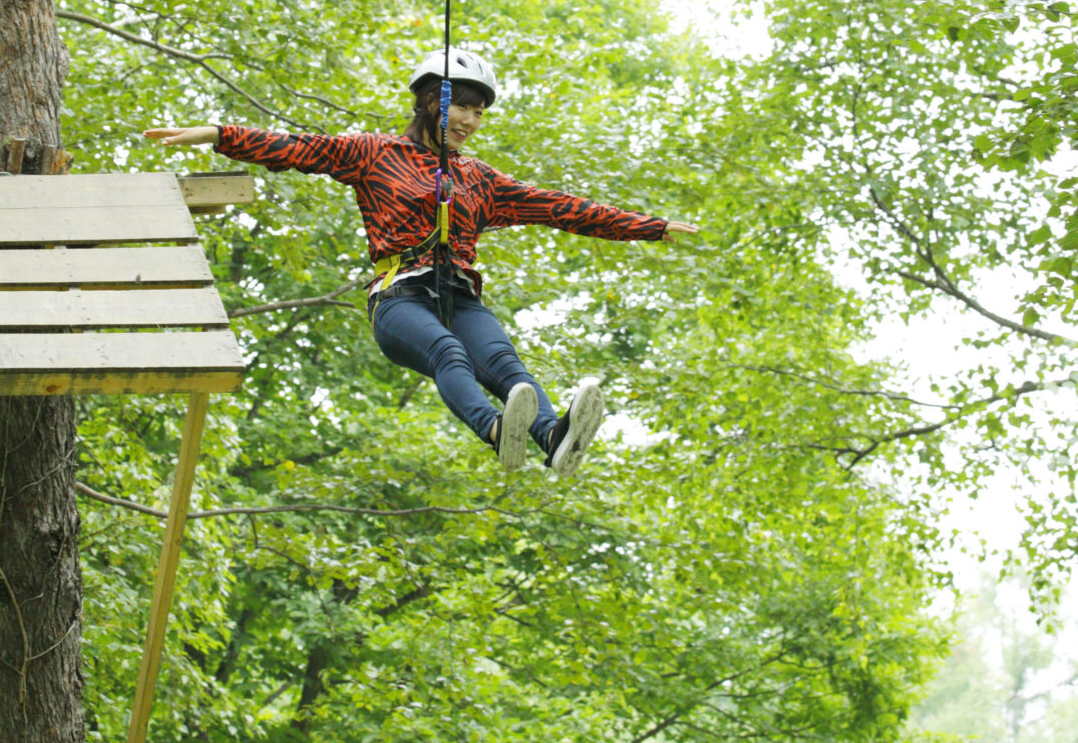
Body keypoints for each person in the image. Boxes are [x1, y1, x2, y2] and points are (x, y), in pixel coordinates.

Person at [144, 50, 699, 478]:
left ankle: (553, 439)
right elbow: (298, 148)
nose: (471, 121)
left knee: (507, 365)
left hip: (457, 294)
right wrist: (220, 135)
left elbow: (564, 208)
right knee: (448, 352)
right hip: (399, 298)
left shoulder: (480, 179)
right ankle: (494, 429)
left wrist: (647, 226)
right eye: (462, 106)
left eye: (479, 113)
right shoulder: (373, 154)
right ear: (432, 98)